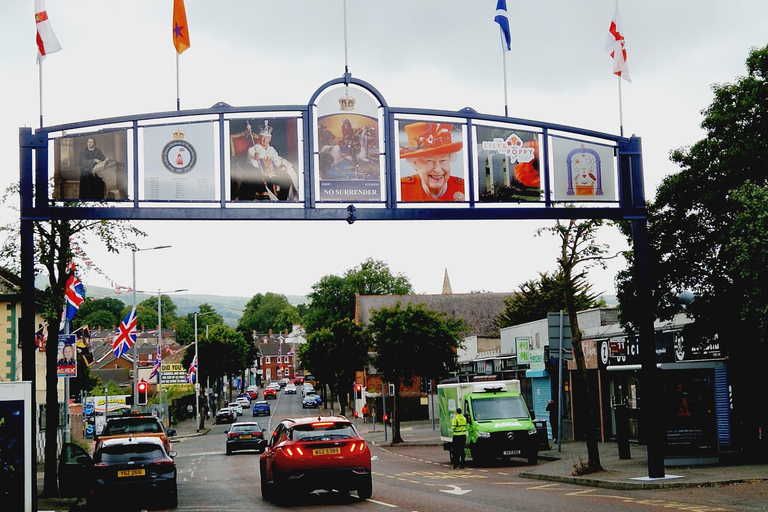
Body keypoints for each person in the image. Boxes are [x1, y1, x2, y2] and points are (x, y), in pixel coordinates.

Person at [400, 122, 464, 201]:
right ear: (414, 163)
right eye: (429, 161)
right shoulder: (401, 190)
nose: (438, 169)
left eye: (443, 160)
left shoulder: (465, 189)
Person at [246, 120, 299, 201]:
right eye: (262, 137)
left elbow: (278, 160)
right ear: (259, 138)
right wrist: (255, 159)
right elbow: (250, 165)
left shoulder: (272, 150)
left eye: (267, 138)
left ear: (270, 139)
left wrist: (283, 167)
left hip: (273, 174)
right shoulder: (252, 150)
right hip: (261, 175)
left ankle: (282, 201)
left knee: (287, 180)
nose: (264, 140)